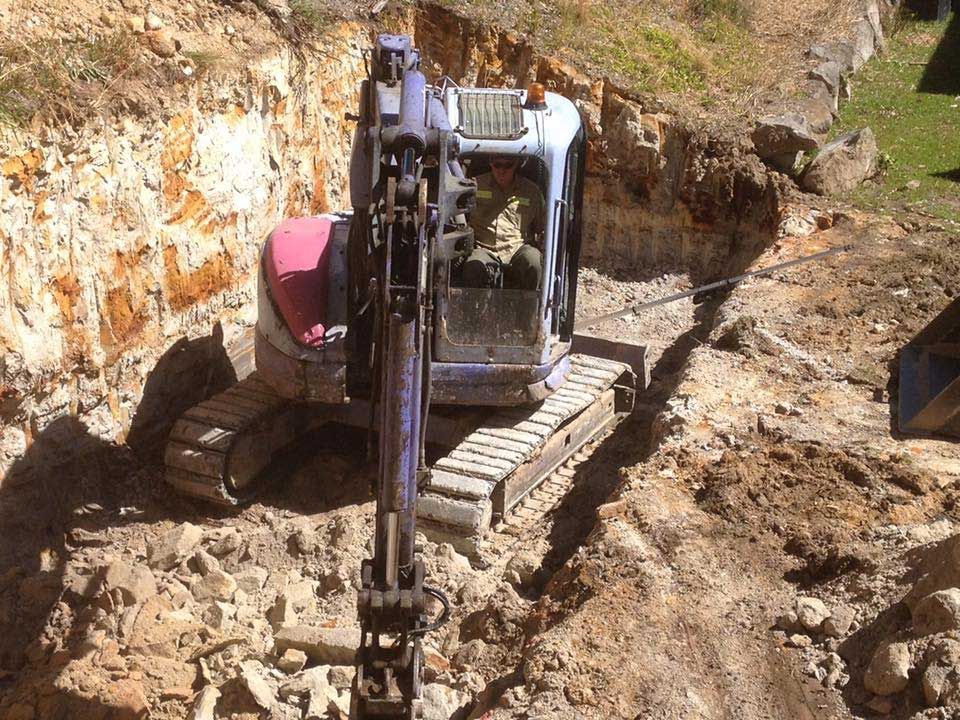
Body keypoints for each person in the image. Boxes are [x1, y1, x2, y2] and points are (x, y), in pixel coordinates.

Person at [463, 156, 546, 290]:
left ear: (516, 165)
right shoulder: (474, 186)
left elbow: (542, 227)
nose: (502, 171)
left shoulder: (532, 192)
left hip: (517, 248)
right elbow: (460, 218)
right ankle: (476, 309)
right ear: (490, 163)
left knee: (534, 262)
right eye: (497, 165)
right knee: (473, 265)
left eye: (508, 166)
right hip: (483, 248)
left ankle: (527, 309)